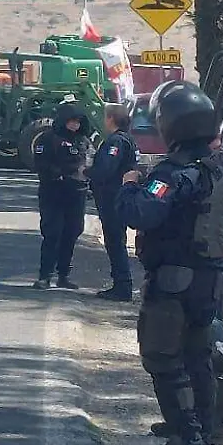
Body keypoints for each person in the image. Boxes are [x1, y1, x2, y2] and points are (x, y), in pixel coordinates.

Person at [116, 80, 223, 445]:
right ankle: (206, 427)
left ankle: (189, 440)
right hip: (211, 278)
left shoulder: (174, 174)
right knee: (198, 354)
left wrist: (131, 184)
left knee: (162, 356)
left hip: (175, 279)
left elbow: (139, 213)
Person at [33, 101, 94, 290]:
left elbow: (90, 161)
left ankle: (63, 275)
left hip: (77, 193)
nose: (75, 125)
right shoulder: (48, 138)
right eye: (71, 121)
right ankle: (45, 276)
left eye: (78, 122)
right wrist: (59, 174)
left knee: (72, 232)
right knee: (53, 233)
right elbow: (41, 163)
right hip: (54, 192)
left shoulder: (83, 140)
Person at [88, 103, 140, 301]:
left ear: (110, 119)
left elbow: (107, 169)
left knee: (115, 242)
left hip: (113, 198)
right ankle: (120, 282)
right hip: (119, 197)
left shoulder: (116, 141)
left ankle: (122, 285)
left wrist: (87, 172)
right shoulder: (127, 140)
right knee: (117, 241)